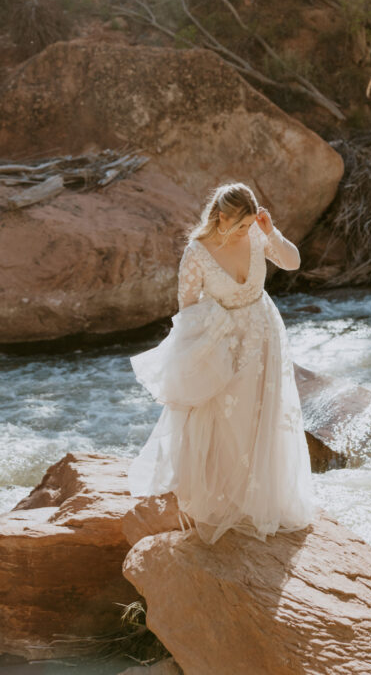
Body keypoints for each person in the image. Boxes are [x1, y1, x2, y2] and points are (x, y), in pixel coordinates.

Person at [128, 181, 315, 543]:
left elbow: (293, 262)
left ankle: (262, 501)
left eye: (249, 225)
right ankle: (223, 502)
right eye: (240, 225)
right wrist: (203, 353)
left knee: (263, 414)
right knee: (225, 418)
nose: (246, 231)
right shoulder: (197, 253)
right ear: (220, 217)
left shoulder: (258, 235)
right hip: (222, 342)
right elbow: (187, 308)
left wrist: (269, 230)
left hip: (264, 337)